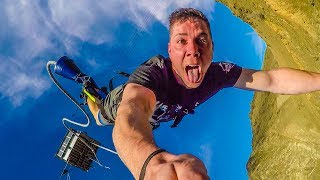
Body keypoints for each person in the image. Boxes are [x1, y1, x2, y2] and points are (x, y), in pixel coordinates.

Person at [87, 8, 320, 180]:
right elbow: (131, 114)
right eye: (182, 41)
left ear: (212, 48)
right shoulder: (154, 73)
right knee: (99, 118)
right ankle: (88, 89)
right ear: (170, 50)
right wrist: (152, 165)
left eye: (202, 40)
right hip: (116, 104)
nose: (193, 51)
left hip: (154, 117)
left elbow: (271, 79)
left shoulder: (218, 74)